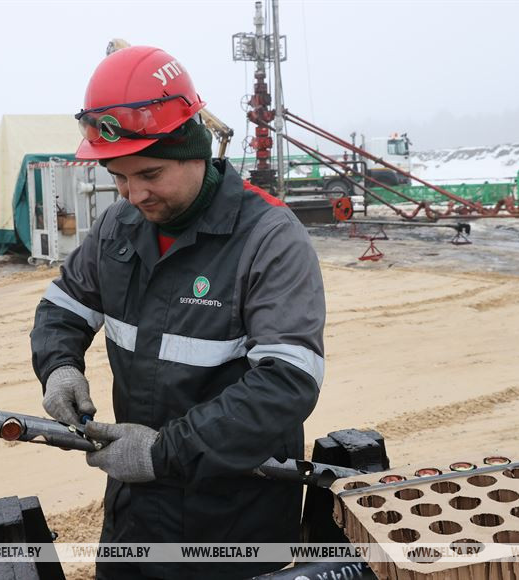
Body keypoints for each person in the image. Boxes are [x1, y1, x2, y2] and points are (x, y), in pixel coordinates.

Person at [30, 45, 325, 579]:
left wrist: (164, 452)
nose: (133, 193)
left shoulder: (269, 239)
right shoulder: (118, 230)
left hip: (233, 521)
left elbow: (286, 384)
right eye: (118, 176)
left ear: (196, 152)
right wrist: (59, 365)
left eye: (150, 174)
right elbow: (63, 306)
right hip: (135, 513)